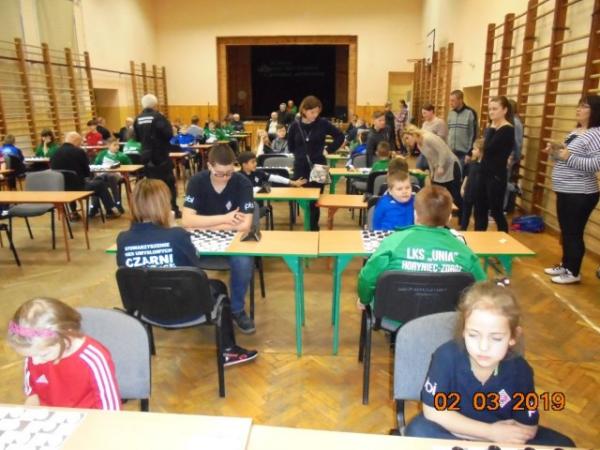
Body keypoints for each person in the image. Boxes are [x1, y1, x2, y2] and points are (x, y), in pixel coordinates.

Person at [405, 282, 575, 447]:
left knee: (565, 445)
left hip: (499, 440)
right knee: (418, 430)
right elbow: (433, 412)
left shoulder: (520, 370)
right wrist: (490, 433)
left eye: (496, 338)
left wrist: (500, 437)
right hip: (454, 433)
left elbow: (528, 428)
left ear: (513, 337)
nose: (483, 347)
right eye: (473, 335)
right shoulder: (446, 357)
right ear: (463, 331)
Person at [116, 178, 258, 366]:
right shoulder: (177, 235)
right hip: (186, 307)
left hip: (146, 308)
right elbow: (195, 267)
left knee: (205, 285)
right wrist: (172, 227)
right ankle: (228, 350)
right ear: (163, 205)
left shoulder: (123, 239)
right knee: (219, 288)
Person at [358, 186, 486, 307]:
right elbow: (482, 291)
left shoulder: (393, 242)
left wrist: (364, 300)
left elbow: (367, 278)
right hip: (448, 317)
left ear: (415, 214)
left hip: (394, 315)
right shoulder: (465, 252)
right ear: (449, 217)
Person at [182, 144, 256, 333]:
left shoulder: (242, 183)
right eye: (220, 173)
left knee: (244, 261)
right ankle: (193, 306)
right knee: (178, 255)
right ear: (209, 166)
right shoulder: (196, 182)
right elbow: (187, 221)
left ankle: (237, 309)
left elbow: (245, 225)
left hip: (234, 240)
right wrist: (225, 218)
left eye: (229, 173)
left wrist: (203, 223)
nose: (225, 177)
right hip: (200, 241)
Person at [7, 297, 121, 410]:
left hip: (88, 417)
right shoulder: (35, 353)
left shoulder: (94, 358)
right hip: (52, 415)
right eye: (29, 356)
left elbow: (111, 409)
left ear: (67, 336)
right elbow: (33, 395)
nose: (35, 362)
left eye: (44, 354)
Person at [544, 96, 600, 284]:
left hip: (580, 193)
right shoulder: (577, 131)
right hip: (566, 190)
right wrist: (554, 152)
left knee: (573, 233)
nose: (578, 109)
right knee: (566, 231)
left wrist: (568, 157)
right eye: (579, 105)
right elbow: (564, 158)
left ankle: (573, 272)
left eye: (584, 106)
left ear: (594, 111)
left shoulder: (596, 134)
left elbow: (596, 164)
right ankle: (566, 265)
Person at [287, 95, 345, 230]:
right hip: (301, 168)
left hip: (319, 167)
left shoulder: (323, 123)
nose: (315, 115)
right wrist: (301, 155)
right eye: (312, 112)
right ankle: (307, 226)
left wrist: (328, 149)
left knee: (315, 201)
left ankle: (313, 229)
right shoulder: (295, 125)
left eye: (317, 112)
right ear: (304, 110)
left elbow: (340, 136)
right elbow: (291, 146)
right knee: (302, 199)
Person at [51, 131, 121, 219]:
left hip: (61, 189)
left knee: (69, 182)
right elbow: (87, 173)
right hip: (79, 188)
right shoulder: (79, 152)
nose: (80, 145)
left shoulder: (54, 153)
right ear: (76, 141)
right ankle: (110, 211)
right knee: (100, 184)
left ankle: (74, 213)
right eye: (80, 142)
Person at [134, 93, 180, 218]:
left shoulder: (138, 119)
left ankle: (154, 211)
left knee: (151, 185)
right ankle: (172, 209)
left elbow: (137, 138)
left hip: (146, 157)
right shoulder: (159, 117)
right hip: (160, 157)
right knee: (168, 183)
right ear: (155, 104)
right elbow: (169, 135)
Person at [474, 96, 515, 232]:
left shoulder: (507, 129)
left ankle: (504, 238)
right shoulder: (493, 128)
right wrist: (491, 128)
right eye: (490, 109)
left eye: (495, 109)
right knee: (479, 209)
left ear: (504, 110)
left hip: (496, 176)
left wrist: (491, 128)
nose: (491, 112)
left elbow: (487, 148)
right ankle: (479, 238)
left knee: (496, 211)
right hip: (484, 173)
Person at [403, 125, 462, 217]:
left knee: (455, 193)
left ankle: (461, 218)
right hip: (438, 168)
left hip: (450, 166)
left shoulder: (427, 137)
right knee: (438, 192)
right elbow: (430, 159)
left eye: (407, 138)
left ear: (412, 134)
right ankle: (441, 215)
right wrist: (432, 172)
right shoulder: (419, 145)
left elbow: (443, 150)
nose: (407, 141)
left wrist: (441, 165)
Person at [94, 137, 132, 212]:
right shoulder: (102, 154)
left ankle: (117, 203)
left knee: (111, 177)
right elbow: (95, 165)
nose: (117, 147)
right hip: (103, 175)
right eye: (115, 145)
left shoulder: (122, 155)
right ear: (108, 146)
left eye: (118, 145)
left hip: (116, 175)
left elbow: (130, 166)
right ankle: (94, 207)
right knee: (96, 182)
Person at [447, 90, 479, 168]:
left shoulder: (471, 113)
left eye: (453, 100)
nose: (450, 103)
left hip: (464, 154)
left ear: (460, 100)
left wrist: (469, 153)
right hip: (451, 152)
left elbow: (474, 134)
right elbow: (449, 132)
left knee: (460, 174)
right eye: (450, 100)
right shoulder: (451, 113)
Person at [238, 152, 305, 187]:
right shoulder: (237, 177)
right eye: (252, 162)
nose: (256, 164)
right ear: (244, 164)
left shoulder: (258, 173)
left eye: (255, 161)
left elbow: (275, 178)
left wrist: (292, 182)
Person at [460, 138, 483, 231]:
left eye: (475, 149)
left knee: (478, 214)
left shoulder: (484, 166)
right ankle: (463, 229)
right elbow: (467, 176)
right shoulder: (472, 163)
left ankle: (478, 232)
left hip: (479, 194)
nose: (472, 151)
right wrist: (462, 187)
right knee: (466, 213)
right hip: (468, 191)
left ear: (481, 151)